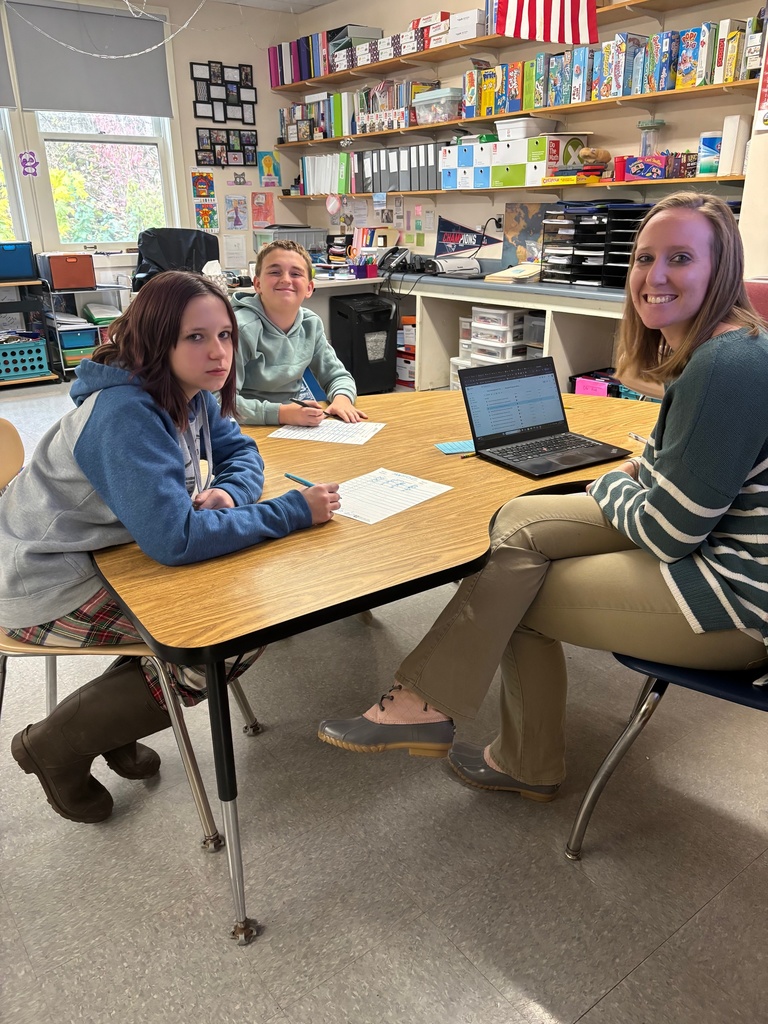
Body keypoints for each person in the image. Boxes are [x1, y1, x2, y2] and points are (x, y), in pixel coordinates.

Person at [317, 192, 768, 798]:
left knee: (513, 592)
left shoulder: (727, 364)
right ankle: (430, 705)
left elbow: (670, 531)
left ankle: (496, 745)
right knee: (515, 521)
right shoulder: (724, 347)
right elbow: (677, 475)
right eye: (643, 258)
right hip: (714, 548)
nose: (653, 277)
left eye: (680, 258)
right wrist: (638, 474)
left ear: (722, 271)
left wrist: (609, 481)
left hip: (735, 600)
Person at [0, 270, 340, 824]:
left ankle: (114, 725)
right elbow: (175, 540)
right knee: (224, 641)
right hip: (42, 582)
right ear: (159, 341)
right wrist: (291, 511)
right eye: (196, 337)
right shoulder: (125, 415)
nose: (219, 353)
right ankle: (52, 744)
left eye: (225, 335)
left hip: (108, 556)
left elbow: (243, 454)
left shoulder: (189, 391)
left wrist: (229, 495)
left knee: (216, 611)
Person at [231, 240, 368, 426]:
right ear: (257, 284)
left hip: (292, 423)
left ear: (309, 288)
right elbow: (219, 402)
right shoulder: (241, 328)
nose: (286, 279)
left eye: (295, 273)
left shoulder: (310, 324)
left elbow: (337, 376)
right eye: (274, 272)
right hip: (245, 425)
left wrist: (341, 400)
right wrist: (281, 414)